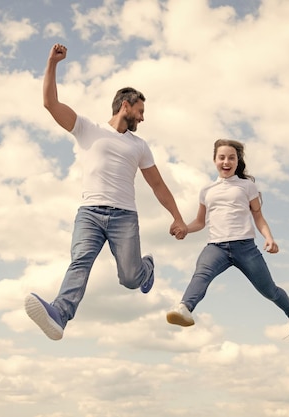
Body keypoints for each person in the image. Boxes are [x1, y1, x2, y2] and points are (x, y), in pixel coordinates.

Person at [25, 43, 188, 340]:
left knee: (129, 278)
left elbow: (157, 184)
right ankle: (60, 314)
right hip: (89, 213)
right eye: (140, 111)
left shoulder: (139, 146)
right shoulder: (87, 128)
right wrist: (52, 63)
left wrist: (177, 217)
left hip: (124, 217)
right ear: (125, 105)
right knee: (80, 261)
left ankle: (145, 268)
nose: (142, 118)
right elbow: (50, 103)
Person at [166, 139, 289, 337]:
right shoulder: (207, 190)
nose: (226, 162)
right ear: (214, 160)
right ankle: (184, 308)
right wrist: (185, 229)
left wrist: (269, 238)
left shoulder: (247, 186)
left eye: (231, 158)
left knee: (269, 291)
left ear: (237, 162)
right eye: (221, 157)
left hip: (245, 247)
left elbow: (258, 216)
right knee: (201, 274)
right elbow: (200, 221)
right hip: (216, 247)